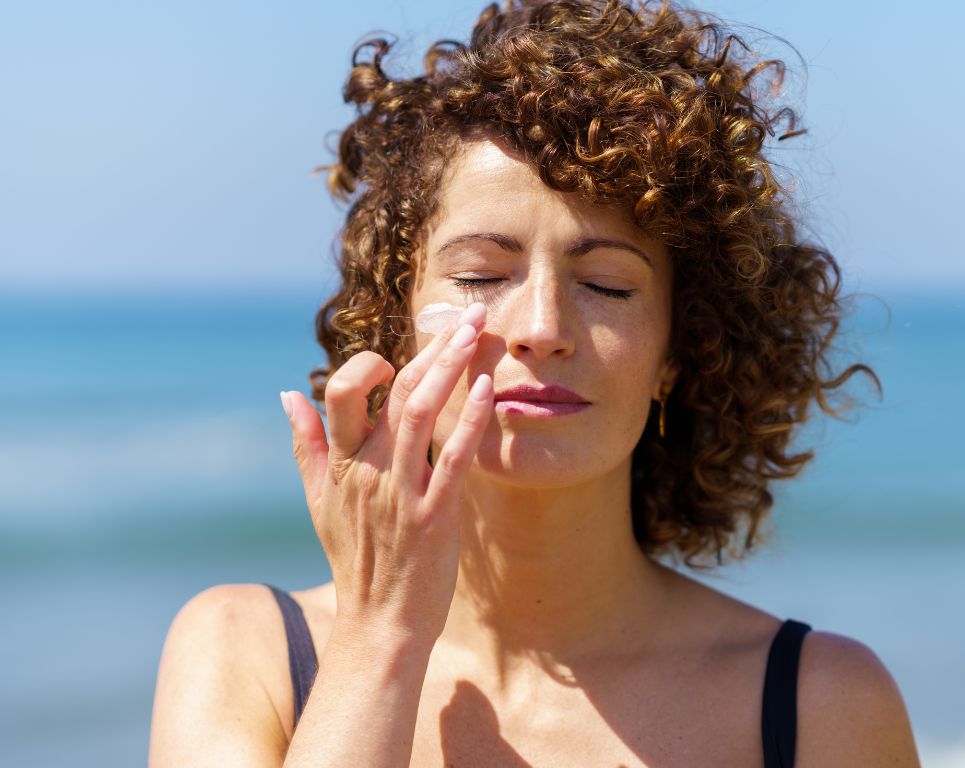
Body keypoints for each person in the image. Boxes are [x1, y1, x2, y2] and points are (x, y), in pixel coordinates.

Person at [149, 1, 921, 765]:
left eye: (610, 287)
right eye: (483, 275)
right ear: (396, 319)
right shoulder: (244, 655)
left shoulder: (821, 704)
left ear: (679, 353)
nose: (542, 327)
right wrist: (380, 633)